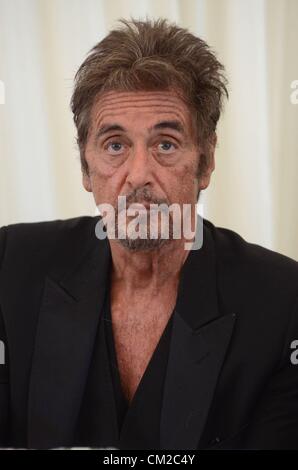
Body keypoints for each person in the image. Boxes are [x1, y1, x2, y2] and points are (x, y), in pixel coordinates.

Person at [0, 17, 297, 450]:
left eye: (166, 144)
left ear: (206, 162)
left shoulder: (283, 300)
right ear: (86, 168)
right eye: (115, 145)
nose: (139, 174)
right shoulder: (10, 266)